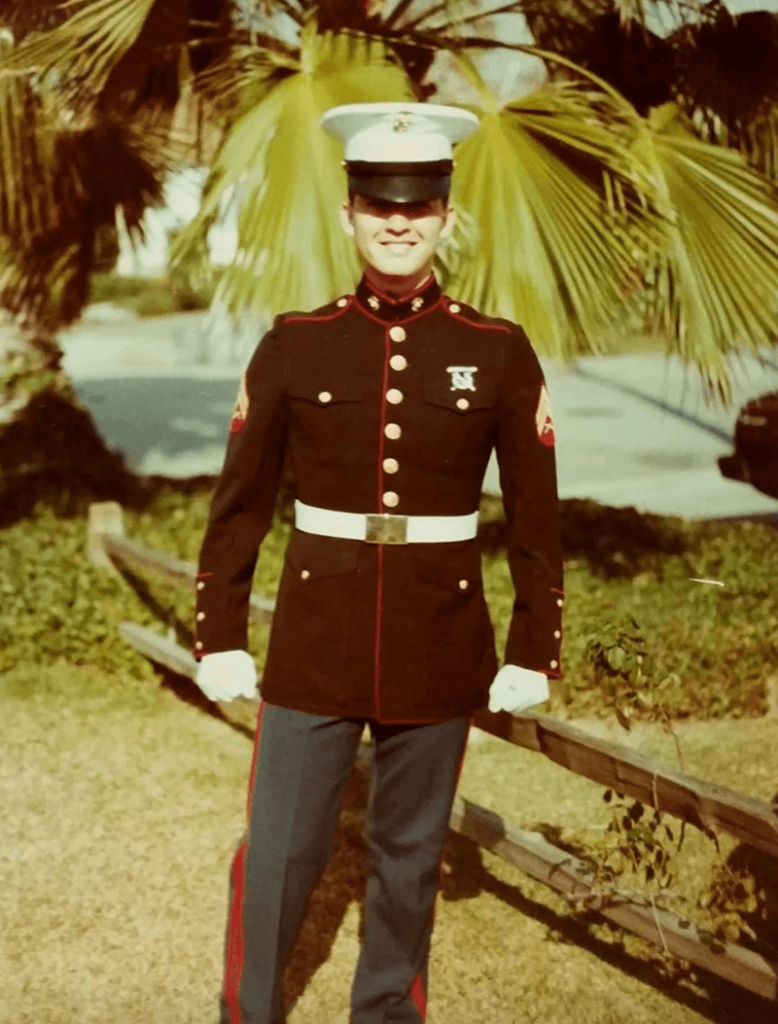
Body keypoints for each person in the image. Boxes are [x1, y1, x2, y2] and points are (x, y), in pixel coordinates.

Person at [193, 101, 564, 1024]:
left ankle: (388, 1012)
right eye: (378, 204)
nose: (398, 221)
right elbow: (238, 503)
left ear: (444, 216)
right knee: (278, 850)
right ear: (349, 214)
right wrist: (221, 632)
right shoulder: (295, 342)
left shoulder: (498, 352)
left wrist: (532, 646)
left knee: (407, 855)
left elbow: (536, 515)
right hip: (316, 636)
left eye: (419, 204)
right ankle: (250, 1012)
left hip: (439, 635)